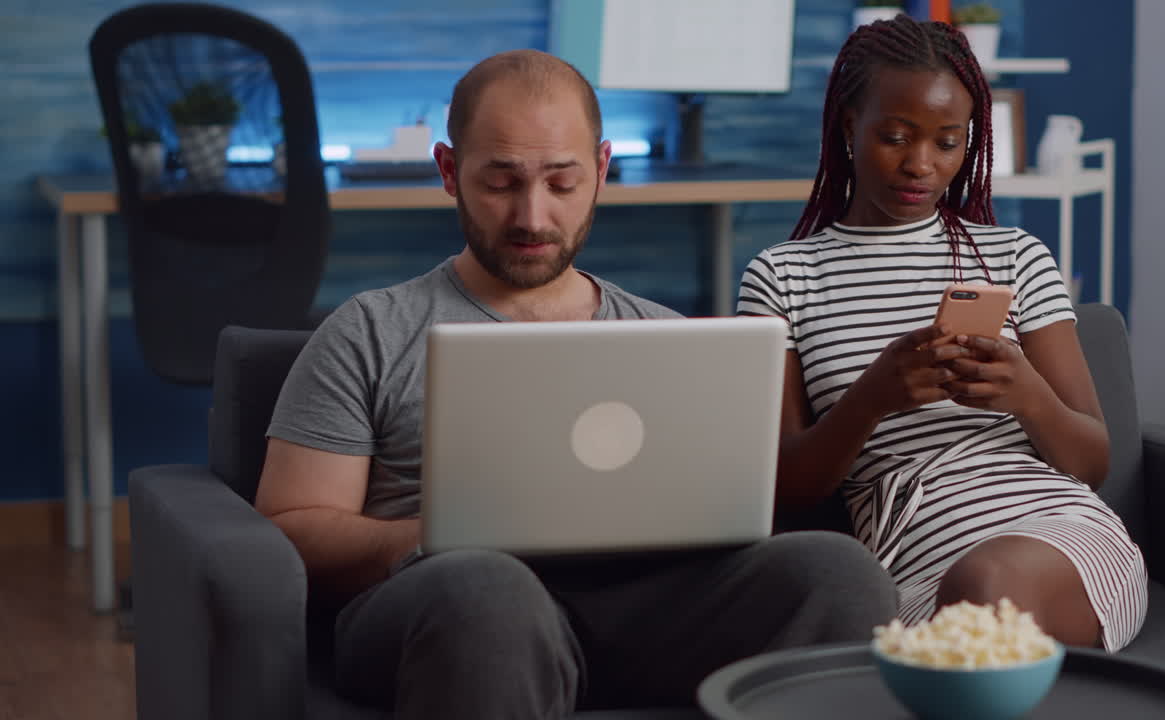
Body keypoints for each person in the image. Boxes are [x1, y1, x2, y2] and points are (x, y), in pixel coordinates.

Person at [254, 49, 897, 718]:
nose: (532, 216)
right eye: (501, 183)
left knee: (837, 572)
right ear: (449, 171)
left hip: (651, 611)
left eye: (561, 183)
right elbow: (292, 528)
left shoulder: (666, 337)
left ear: (601, 170)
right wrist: (441, 535)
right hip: (447, 604)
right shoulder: (370, 330)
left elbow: (727, 516)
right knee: (487, 587)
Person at [737, 16, 1148, 651]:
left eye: (948, 143)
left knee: (984, 583)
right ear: (850, 127)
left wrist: (1027, 394)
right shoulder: (782, 277)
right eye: (895, 137)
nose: (921, 165)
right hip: (907, 562)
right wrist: (873, 395)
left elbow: (1092, 462)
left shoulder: (1015, 256)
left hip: (1055, 536)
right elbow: (786, 485)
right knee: (967, 603)